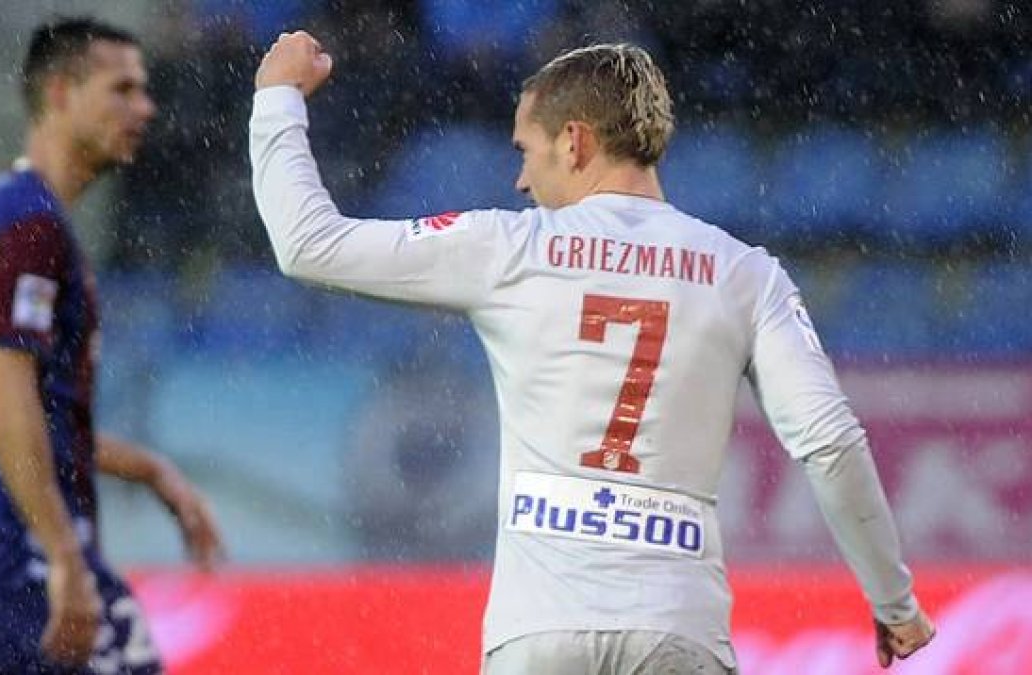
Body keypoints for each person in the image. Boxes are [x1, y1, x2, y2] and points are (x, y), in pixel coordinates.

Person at [250, 32, 936, 673]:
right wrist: (894, 602)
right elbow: (830, 442)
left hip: (539, 632)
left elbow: (308, 245)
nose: (520, 181)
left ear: (574, 141)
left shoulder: (509, 247)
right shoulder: (745, 274)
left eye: (526, 150)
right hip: (678, 628)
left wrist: (277, 97)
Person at [0, 17, 223, 673]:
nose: (145, 107)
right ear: (59, 92)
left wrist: (146, 468)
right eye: (123, 89)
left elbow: (18, 412)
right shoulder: (32, 227)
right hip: (17, 550)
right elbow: (3, 397)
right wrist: (63, 554)